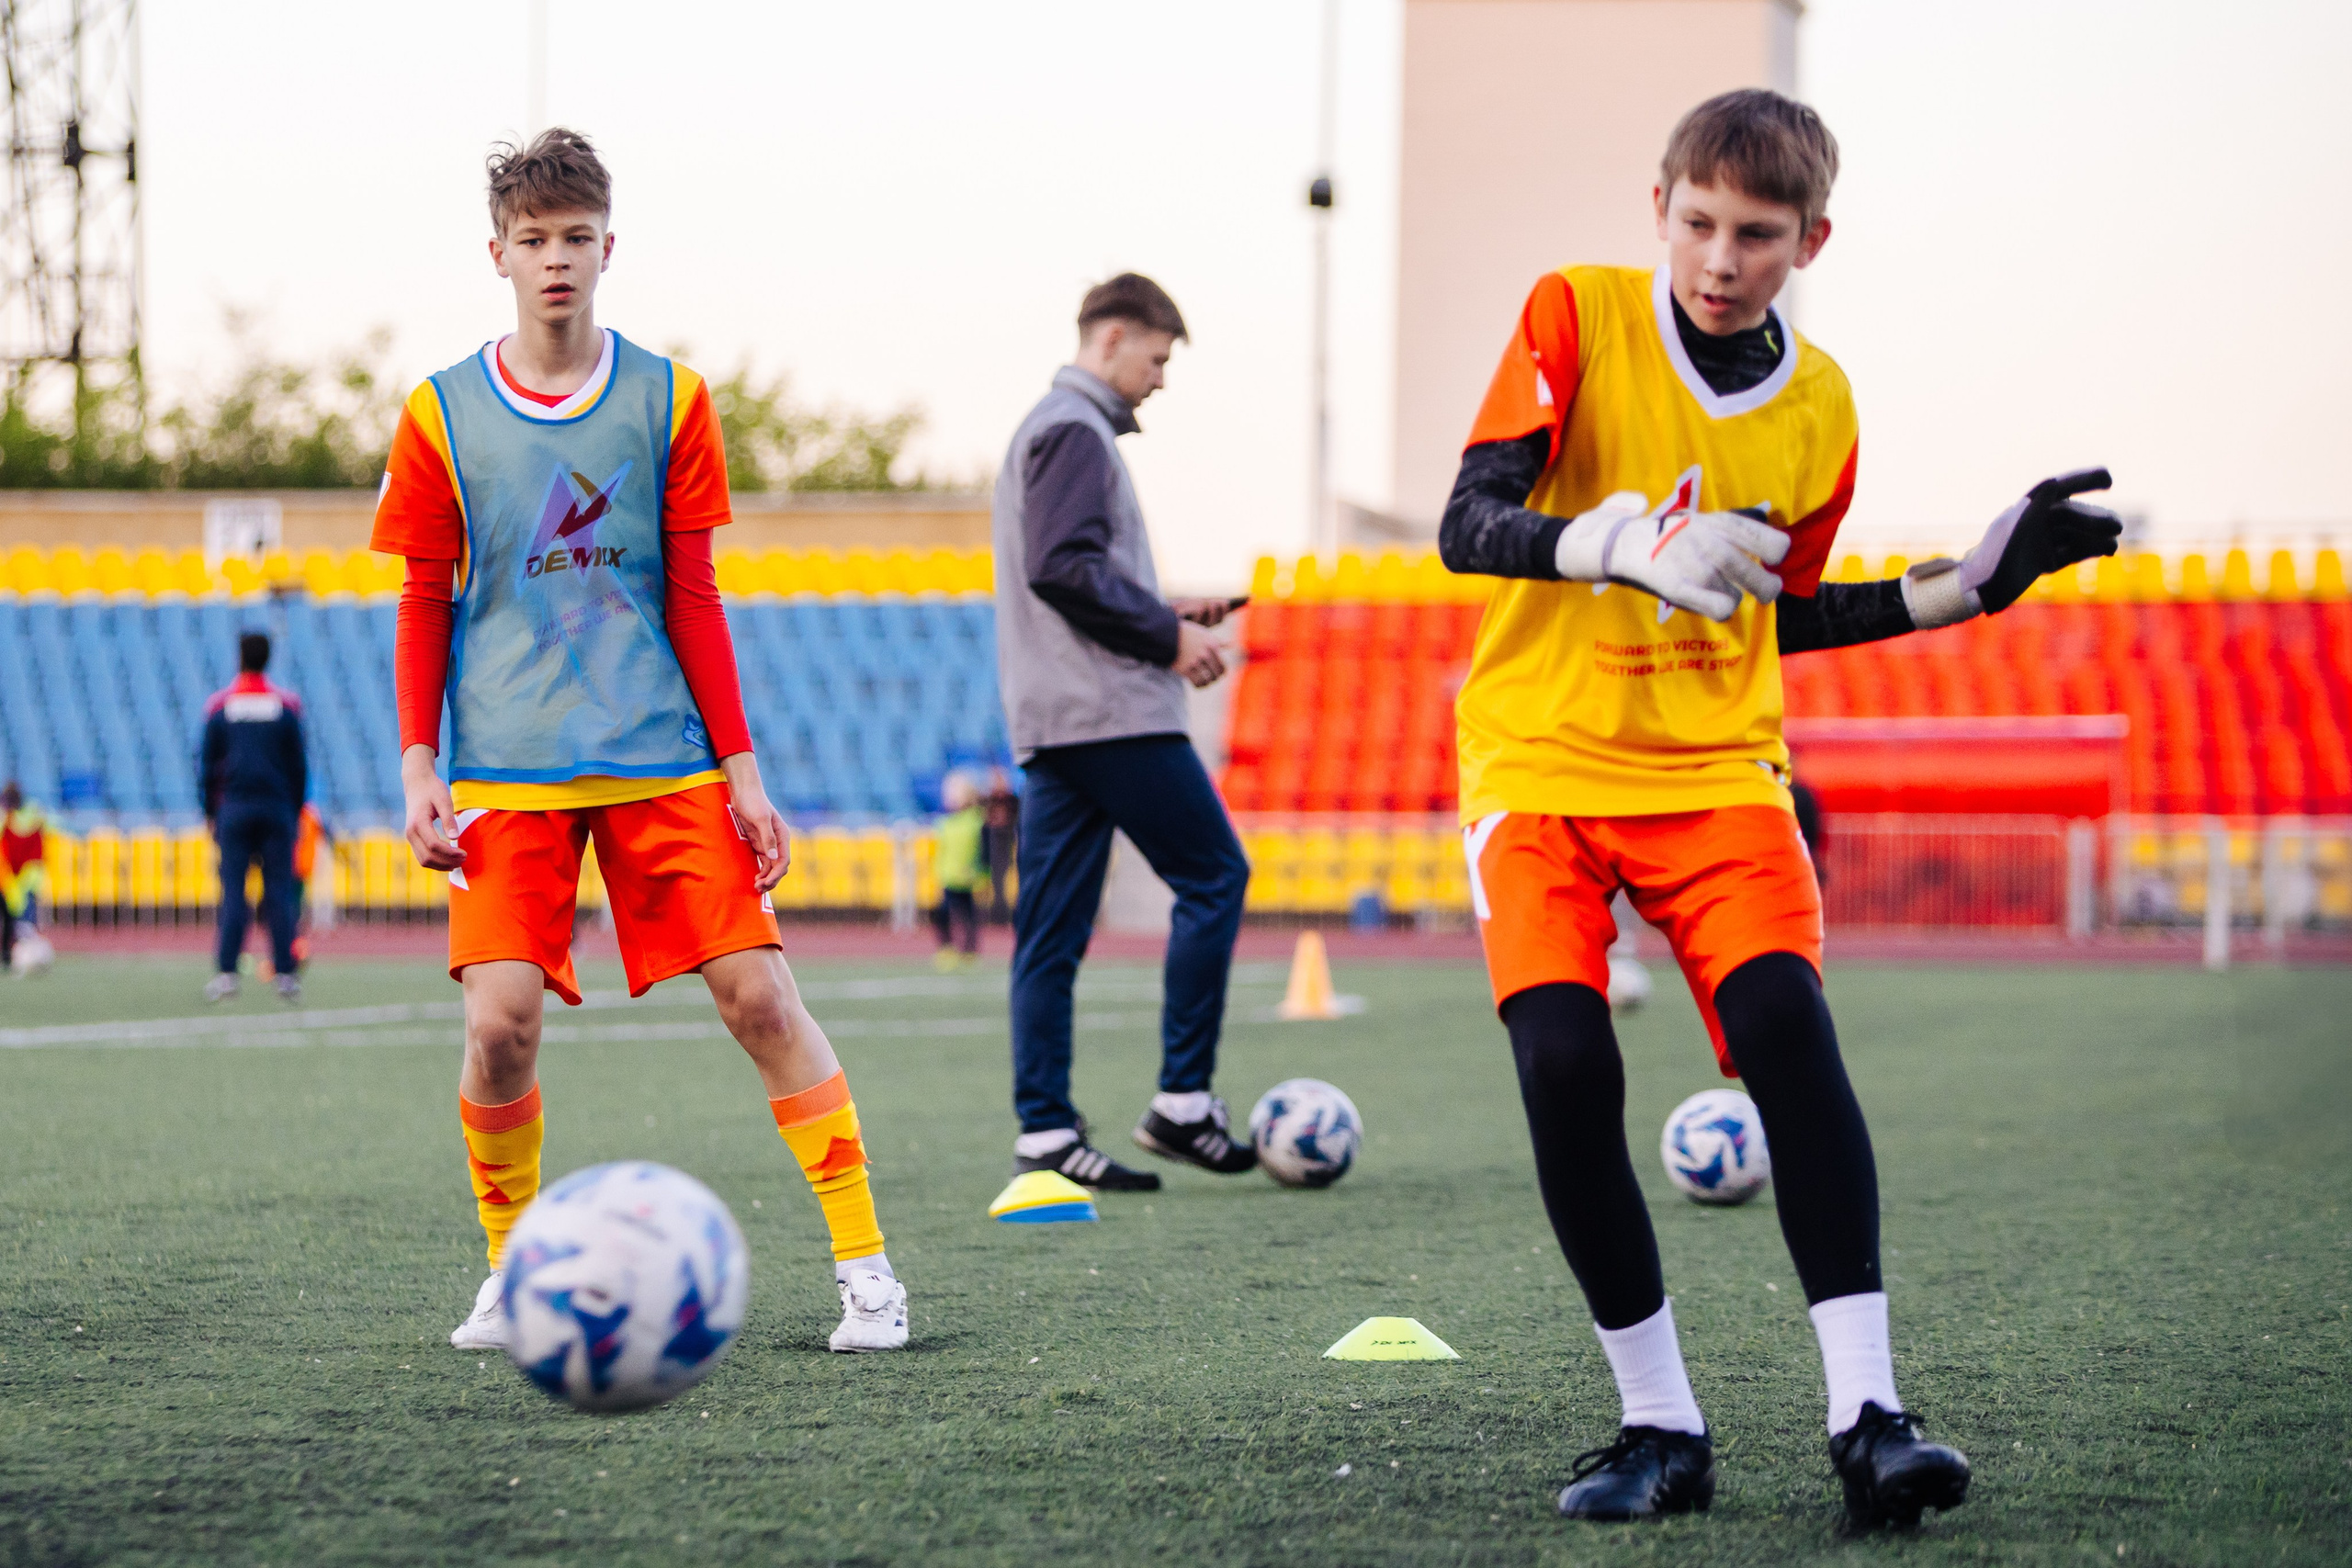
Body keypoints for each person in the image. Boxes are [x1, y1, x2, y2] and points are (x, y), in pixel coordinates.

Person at [1437, 88, 2120, 1529]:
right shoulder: (1575, 312)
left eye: (1758, 233)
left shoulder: (1821, 404)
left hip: (1713, 773)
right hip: (1537, 763)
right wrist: (1618, 540)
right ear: (1661, 206)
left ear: (1812, 238)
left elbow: (1780, 615)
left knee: (1791, 1036)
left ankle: (1869, 1414)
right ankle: (1659, 1423)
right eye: (1698, 221)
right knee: (1564, 1060)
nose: (1721, 256)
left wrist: (1969, 586)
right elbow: (1468, 522)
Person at [372, 128, 906, 1356]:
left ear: (607, 247)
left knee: (761, 993)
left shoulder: (671, 398)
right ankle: (512, 1273)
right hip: (506, 770)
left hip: (663, 758)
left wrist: (745, 766)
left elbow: (696, 593)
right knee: (498, 1024)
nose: (553, 260)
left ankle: (868, 1269)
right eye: (531, 241)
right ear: (496, 253)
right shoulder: (441, 412)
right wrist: (417, 764)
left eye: (574, 239)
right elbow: (422, 598)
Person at [992, 272, 1255, 1192]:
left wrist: (1162, 608)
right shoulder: (1074, 430)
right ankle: (1183, 1101)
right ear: (1110, 340)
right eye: (1158, 355)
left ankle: (1045, 1134)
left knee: (1050, 934)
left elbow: (1065, 573)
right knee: (1215, 875)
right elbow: (1061, 569)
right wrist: (1167, 636)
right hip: (1109, 712)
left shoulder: (1048, 428)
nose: (1161, 377)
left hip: (1057, 717)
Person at [199, 632, 308, 1002]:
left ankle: (228, 973)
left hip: (234, 811)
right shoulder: (286, 706)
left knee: (234, 893)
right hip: (277, 811)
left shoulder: (220, 707)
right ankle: (285, 975)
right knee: (279, 893)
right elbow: (299, 768)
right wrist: (294, 812)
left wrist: (210, 813)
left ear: (239, 657)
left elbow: (208, 766)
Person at [930, 772, 985, 969]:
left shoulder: (976, 821)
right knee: (943, 913)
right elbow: (941, 852)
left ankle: (970, 950)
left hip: (968, 878)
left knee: (968, 916)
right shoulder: (944, 823)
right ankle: (946, 948)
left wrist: (983, 876)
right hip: (948, 878)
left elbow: (983, 852)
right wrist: (938, 874)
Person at [1, 782, 50, 974]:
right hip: (12, 878)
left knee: (20, 921)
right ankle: (13, 954)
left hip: (22, 879)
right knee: (17, 920)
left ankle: (17, 955)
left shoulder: (22, 815)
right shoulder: (25, 814)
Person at [980, 767, 1018, 923]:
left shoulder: (1013, 801)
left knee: (1010, 881)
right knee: (995, 882)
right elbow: (984, 824)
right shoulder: (988, 801)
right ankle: (996, 914)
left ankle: (1008, 914)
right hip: (993, 845)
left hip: (1008, 844)